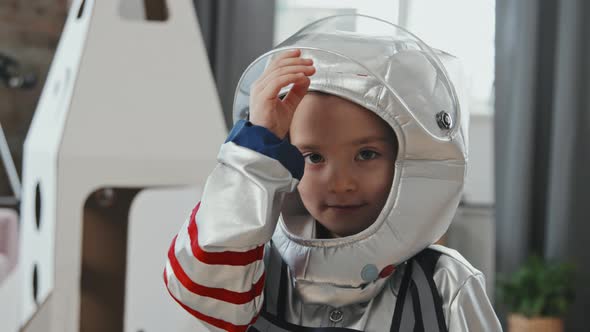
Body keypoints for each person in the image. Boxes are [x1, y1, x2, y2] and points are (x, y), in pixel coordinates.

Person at [163, 15, 502, 332]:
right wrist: (257, 143)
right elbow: (204, 288)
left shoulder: (444, 283)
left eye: (366, 154)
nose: (341, 184)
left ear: (408, 163)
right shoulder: (254, 269)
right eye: (313, 157)